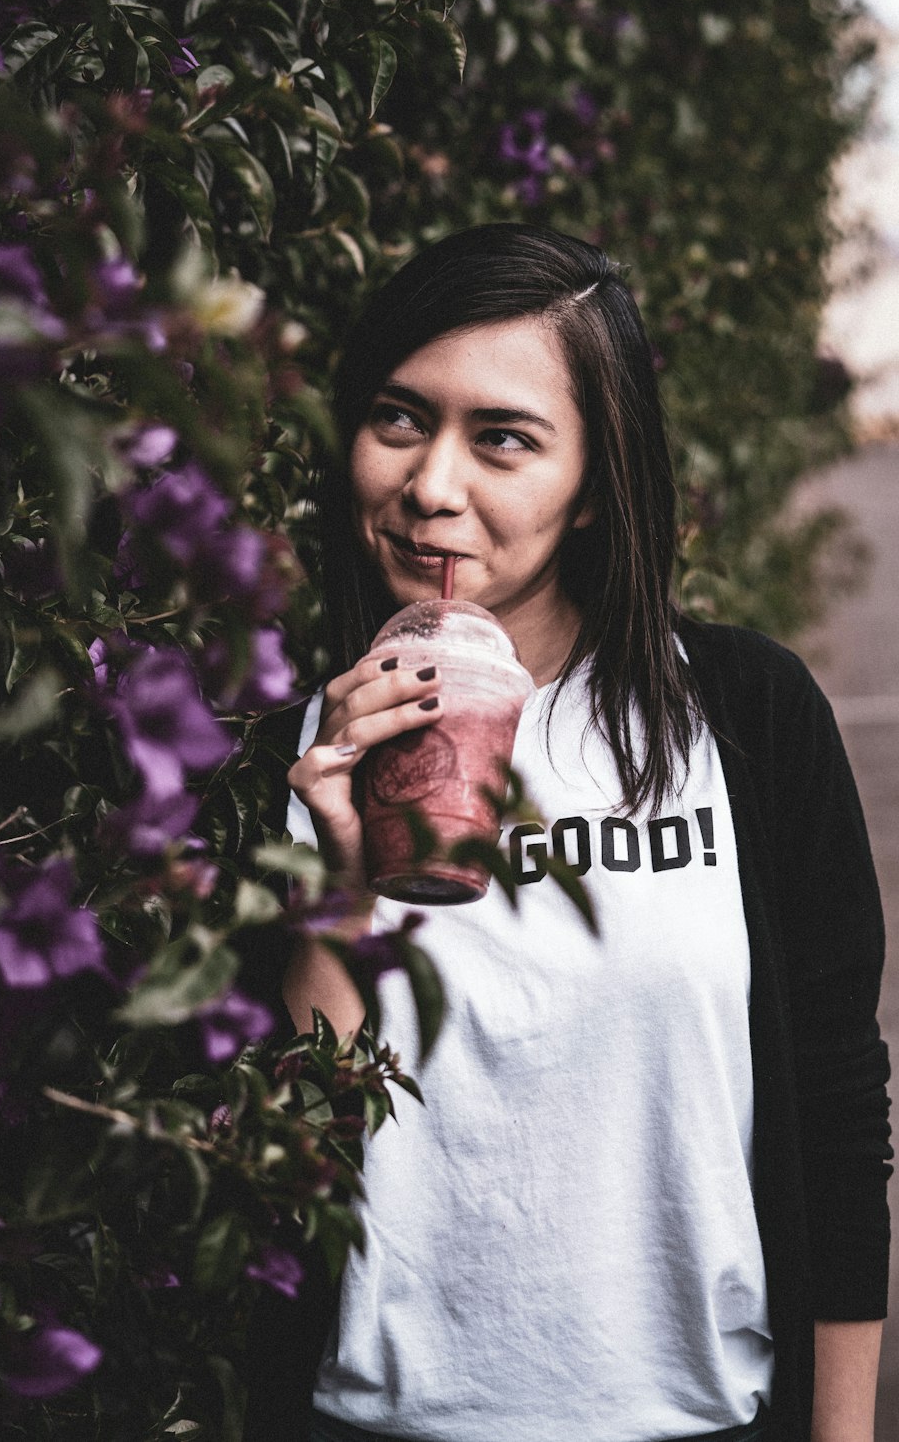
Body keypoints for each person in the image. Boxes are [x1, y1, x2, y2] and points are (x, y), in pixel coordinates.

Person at [242, 225, 891, 1442]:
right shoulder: (295, 753)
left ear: (595, 481)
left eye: (503, 437)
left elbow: (839, 1102)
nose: (432, 483)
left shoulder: (744, 716)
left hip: (699, 1415)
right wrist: (331, 886)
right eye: (398, 417)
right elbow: (283, 1158)